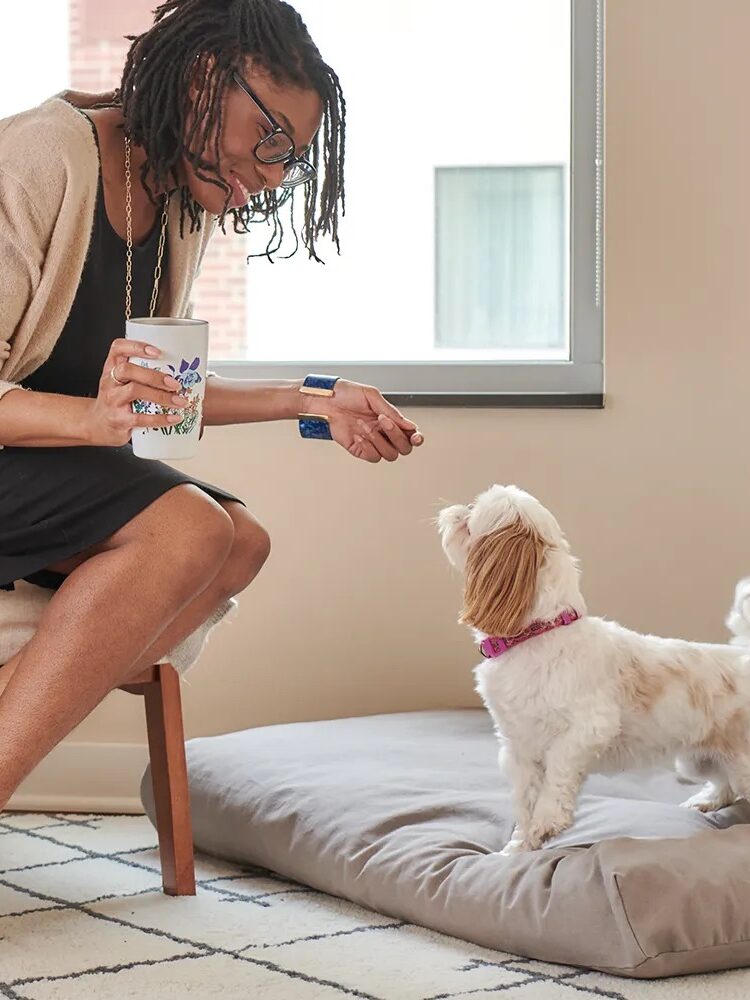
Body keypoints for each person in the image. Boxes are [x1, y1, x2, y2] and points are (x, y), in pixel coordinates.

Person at [0, 0, 424, 812]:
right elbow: (105, 415)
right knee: (190, 525)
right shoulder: (41, 156)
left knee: (240, 545)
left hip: (46, 484)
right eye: (270, 140)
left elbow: (165, 398)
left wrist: (315, 401)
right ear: (201, 77)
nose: (270, 174)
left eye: (289, 160)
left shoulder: (176, 199)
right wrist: (91, 422)